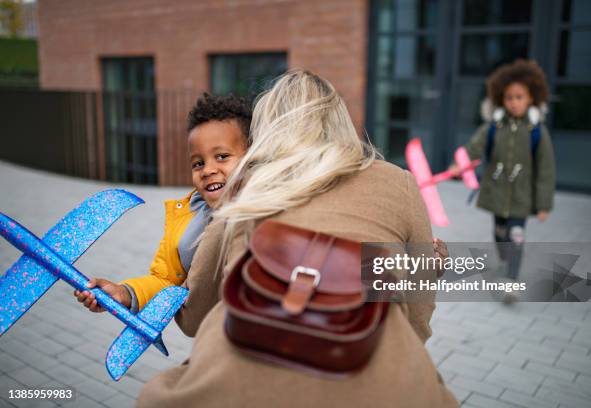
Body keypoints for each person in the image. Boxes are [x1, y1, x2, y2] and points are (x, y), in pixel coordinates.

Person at [137, 70, 458, 408]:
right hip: (374, 376)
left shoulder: (248, 191)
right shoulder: (399, 183)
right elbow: (419, 312)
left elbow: (193, 320)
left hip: (242, 380)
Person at [73, 93, 250, 313]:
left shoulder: (270, 205)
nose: (208, 170)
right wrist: (125, 293)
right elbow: (165, 280)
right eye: (198, 163)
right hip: (215, 332)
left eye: (222, 156)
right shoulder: (187, 216)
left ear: (252, 156)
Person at [451, 59, 555, 283]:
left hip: (521, 196)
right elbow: (474, 147)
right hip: (496, 192)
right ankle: (506, 259)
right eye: (509, 98)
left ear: (531, 98)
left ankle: (511, 280)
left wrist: (544, 204)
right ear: (501, 98)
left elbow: (546, 170)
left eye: (520, 97)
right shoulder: (494, 126)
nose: (514, 103)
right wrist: (459, 164)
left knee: (516, 236)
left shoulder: (536, 131)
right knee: (500, 234)